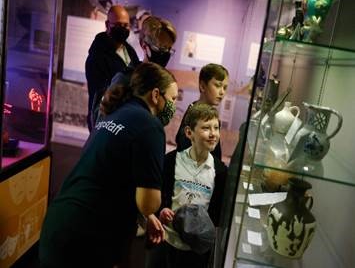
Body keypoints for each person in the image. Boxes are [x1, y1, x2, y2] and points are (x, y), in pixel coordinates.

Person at [39, 62, 179, 268]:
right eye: (173, 99)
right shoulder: (151, 125)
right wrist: (149, 209)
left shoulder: (115, 113)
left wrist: (145, 217)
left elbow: (112, 175)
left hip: (60, 225)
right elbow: (148, 203)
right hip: (87, 239)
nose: (174, 107)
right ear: (156, 95)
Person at [145, 103, 227, 268]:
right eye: (206, 128)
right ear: (189, 132)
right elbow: (157, 195)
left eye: (216, 128)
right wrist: (161, 209)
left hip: (195, 251)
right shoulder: (170, 161)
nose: (213, 134)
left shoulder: (221, 171)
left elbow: (217, 215)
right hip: (166, 240)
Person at [92, 15, 177, 125]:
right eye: (160, 48)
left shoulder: (162, 83)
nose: (165, 53)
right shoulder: (125, 78)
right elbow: (101, 122)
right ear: (144, 45)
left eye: (169, 49)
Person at [85, 5, 139, 131]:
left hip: (126, 116)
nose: (123, 29)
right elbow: (100, 93)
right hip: (105, 119)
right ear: (107, 24)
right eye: (118, 25)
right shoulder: (97, 57)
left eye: (126, 25)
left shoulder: (128, 50)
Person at [175, 63, 229, 160]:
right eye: (217, 85)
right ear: (203, 86)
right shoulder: (193, 114)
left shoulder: (212, 114)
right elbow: (184, 149)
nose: (222, 92)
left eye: (225, 88)